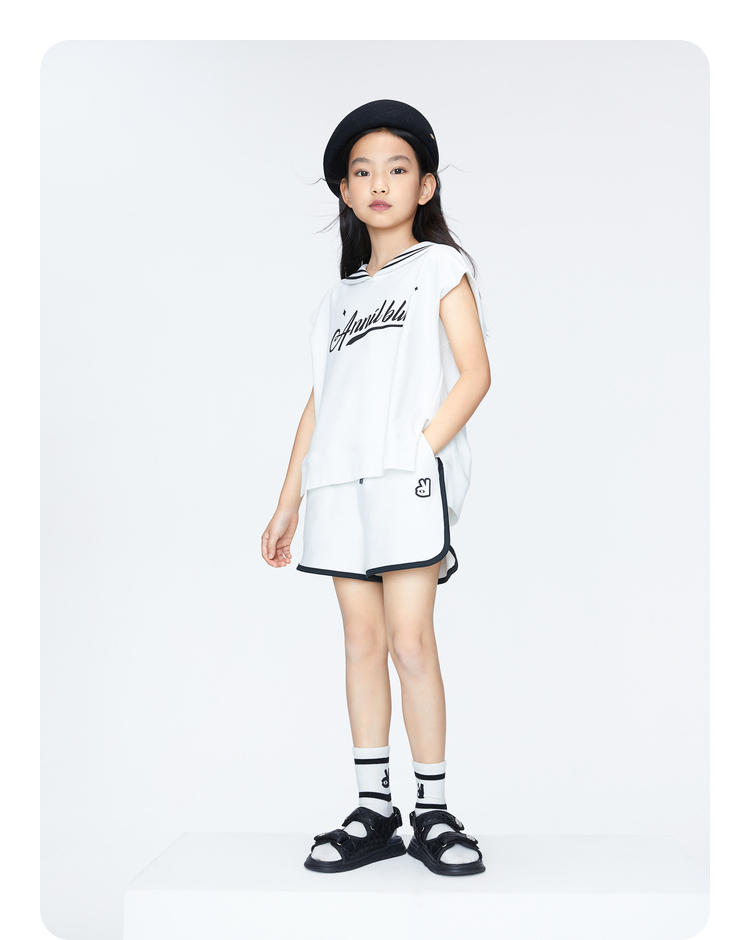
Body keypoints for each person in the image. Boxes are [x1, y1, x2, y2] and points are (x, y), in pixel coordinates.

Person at [261, 100, 491, 876]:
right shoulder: (336, 299)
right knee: (360, 641)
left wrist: (416, 452)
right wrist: (288, 499)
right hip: (338, 485)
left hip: (404, 481)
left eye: (397, 169)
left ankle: (433, 810)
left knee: (409, 639)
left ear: (426, 185)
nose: (380, 184)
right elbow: (320, 402)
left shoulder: (440, 269)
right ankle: (375, 808)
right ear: (346, 191)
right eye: (363, 172)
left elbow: (475, 374)